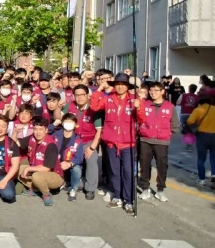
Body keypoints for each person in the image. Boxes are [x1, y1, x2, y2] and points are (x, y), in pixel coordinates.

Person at [91, 73, 144, 215]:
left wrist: (138, 108)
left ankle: (128, 200)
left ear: (127, 86)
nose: (120, 86)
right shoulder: (108, 99)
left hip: (128, 143)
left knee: (128, 172)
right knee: (114, 172)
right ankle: (117, 195)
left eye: (123, 84)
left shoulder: (134, 100)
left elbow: (142, 119)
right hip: (111, 143)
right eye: (118, 84)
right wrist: (99, 89)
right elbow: (94, 106)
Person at [138, 82, 180, 202]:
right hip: (145, 139)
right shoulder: (145, 104)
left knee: (162, 166)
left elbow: (175, 125)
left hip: (162, 141)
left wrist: (166, 134)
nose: (153, 93)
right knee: (144, 165)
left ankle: (160, 190)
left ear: (162, 91)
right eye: (151, 90)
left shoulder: (169, 107)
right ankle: (145, 188)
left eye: (156, 90)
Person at [63, 84, 102, 201]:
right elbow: (59, 118)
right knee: (66, 156)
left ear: (88, 95)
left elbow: (99, 131)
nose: (79, 97)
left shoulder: (94, 108)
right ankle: (70, 181)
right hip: (73, 140)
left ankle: (90, 189)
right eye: (77, 95)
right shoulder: (69, 106)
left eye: (82, 95)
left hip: (88, 140)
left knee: (91, 159)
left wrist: (92, 147)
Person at [16, 117, 64, 206]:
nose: (38, 132)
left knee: (36, 176)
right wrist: (15, 132)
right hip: (36, 170)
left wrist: (28, 169)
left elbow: (46, 168)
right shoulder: (32, 138)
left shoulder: (51, 145)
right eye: (35, 129)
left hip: (54, 175)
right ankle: (36, 188)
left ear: (46, 130)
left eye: (41, 129)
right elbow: (15, 143)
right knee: (14, 168)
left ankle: (46, 194)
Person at [186, 90, 215, 187]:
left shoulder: (198, 110)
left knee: (201, 159)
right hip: (214, 136)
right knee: (213, 158)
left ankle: (202, 179)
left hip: (202, 136)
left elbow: (190, 121)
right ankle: (214, 174)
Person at [53, 113, 84, 201]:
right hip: (56, 163)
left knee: (77, 169)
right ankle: (63, 182)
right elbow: (45, 131)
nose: (69, 124)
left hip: (69, 164)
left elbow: (79, 158)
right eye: (66, 122)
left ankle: (73, 189)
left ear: (75, 125)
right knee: (54, 189)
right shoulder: (55, 134)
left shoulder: (78, 140)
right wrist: (54, 124)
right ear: (62, 123)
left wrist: (69, 164)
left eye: (71, 122)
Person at [178, 84, 199, 151]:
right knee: (192, 130)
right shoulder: (197, 97)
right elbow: (198, 106)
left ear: (189, 88)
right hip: (193, 114)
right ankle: (190, 144)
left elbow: (178, 102)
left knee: (186, 130)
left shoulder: (183, 95)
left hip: (184, 114)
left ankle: (189, 145)